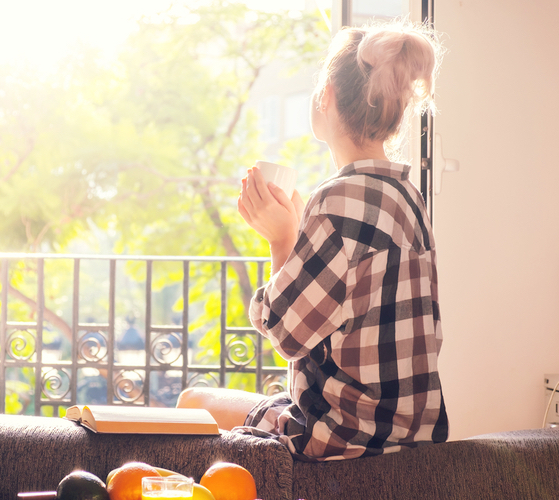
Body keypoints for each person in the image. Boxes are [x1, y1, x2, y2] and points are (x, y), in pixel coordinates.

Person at [177, 21, 448, 461]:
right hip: (413, 435)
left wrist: (282, 238)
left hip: (342, 437)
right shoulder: (409, 198)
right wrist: (305, 232)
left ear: (327, 97)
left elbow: (286, 333)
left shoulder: (336, 199)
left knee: (193, 402)